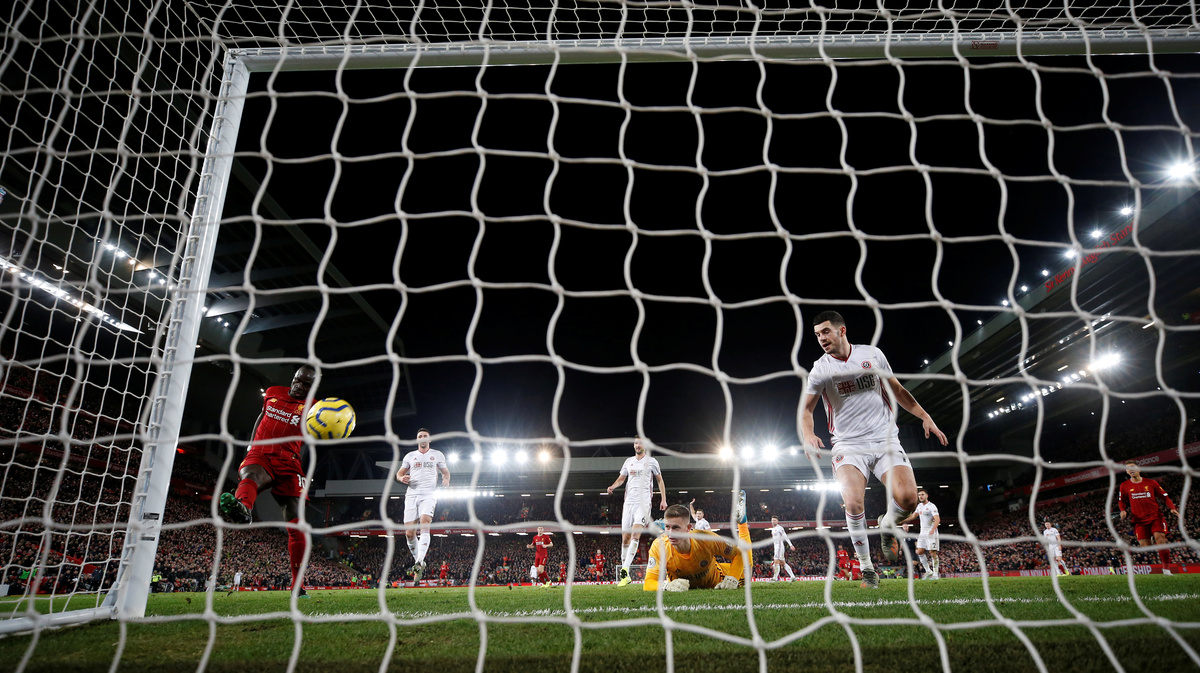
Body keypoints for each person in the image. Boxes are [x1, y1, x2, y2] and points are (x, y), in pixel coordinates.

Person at [801, 310, 948, 589]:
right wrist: (808, 433)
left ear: (842, 330)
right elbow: (806, 409)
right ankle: (868, 569)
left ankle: (888, 524)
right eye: (817, 334)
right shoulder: (820, 368)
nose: (821, 338)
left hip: (885, 438)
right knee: (853, 502)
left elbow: (898, 391)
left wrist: (924, 416)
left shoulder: (872, 355)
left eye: (826, 331)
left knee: (909, 499)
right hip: (848, 444)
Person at [219, 365, 318, 597]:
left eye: (306, 384)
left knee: (296, 523)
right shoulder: (273, 392)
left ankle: (297, 585)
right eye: (297, 380)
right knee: (251, 475)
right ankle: (244, 509)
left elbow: (321, 431)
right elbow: (261, 416)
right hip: (261, 452)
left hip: (289, 460)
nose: (299, 386)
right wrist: (251, 445)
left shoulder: (315, 409)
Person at [643, 494, 751, 592]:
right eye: (667, 527)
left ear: (688, 528)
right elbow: (648, 583)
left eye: (676, 528)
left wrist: (733, 577)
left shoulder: (706, 539)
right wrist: (666, 586)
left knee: (747, 572)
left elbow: (738, 554)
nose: (670, 533)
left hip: (718, 580)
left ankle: (742, 523)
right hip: (683, 588)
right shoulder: (659, 546)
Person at [606, 435, 667, 587]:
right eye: (635, 443)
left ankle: (625, 569)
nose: (637, 445)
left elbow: (660, 480)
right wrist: (613, 486)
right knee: (625, 538)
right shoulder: (629, 461)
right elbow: (621, 479)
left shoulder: (652, 462)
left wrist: (663, 499)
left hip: (643, 502)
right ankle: (625, 576)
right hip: (629, 502)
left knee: (635, 534)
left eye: (640, 443)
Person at [395, 428, 450, 581]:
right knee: (409, 533)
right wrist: (401, 478)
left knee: (425, 523)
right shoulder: (410, 456)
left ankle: (419, 562)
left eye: (425, 436)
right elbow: (399, 473)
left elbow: (445, 472)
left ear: (429, 439)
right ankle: (418, 562)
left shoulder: (437, 455)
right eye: (420, 436)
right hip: (411, 495)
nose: (423, 438)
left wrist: (446, 479)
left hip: (429, 494)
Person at [1118, 459, 1179, 573]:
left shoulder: (1151, 483)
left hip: (1155, 516)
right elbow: (1122, 501)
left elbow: (1165, 497)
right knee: (1145, 547)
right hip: (1139, 520)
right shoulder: (1124, 485)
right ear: (1126, 472)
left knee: (1160, 539)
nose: (1131, 469)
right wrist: (1123, 510)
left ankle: (1166, 570)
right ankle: (1150, 537)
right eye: (1128, 468)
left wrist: (1172, 508)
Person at [899, 488, 940, 579]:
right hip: (922, 532)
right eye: (919, 495)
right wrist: (902, 521)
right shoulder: (919, 506)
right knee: (919, 551)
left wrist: (933, 530)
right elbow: (914, 515)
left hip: (931, 532)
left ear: (927, 496)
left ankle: (935, 574)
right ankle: (928, 571)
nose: (920, 496)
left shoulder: (932, 506)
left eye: (922, 495)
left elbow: (937, 519)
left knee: (932, 553)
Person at [769, 517, 797, 581]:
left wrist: (790, 545)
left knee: (776, 561)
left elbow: (785, 536)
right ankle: (793, 577)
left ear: (777, 521)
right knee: (783, 563)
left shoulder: (780, 528)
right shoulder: (773, 529)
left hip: (779, 547)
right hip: (776, 547)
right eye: (772, 520)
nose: (773, 521)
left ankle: (775, 578)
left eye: (775, 520)